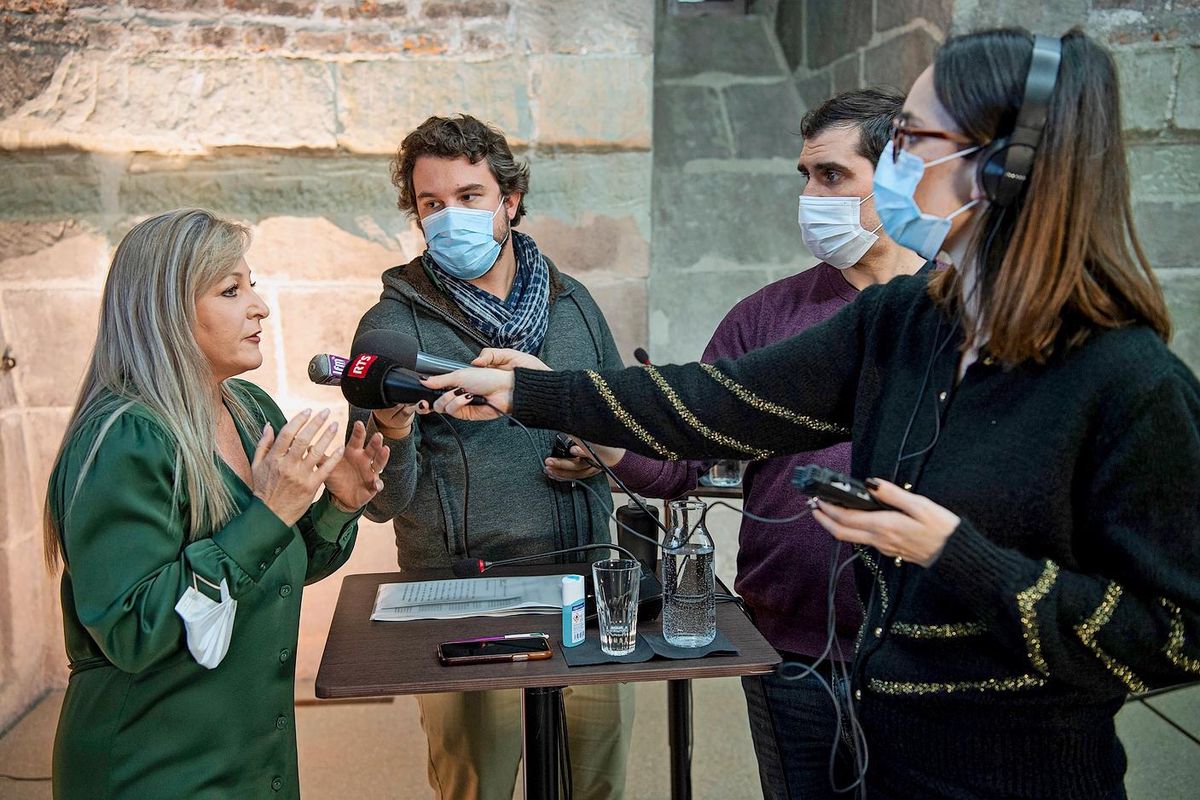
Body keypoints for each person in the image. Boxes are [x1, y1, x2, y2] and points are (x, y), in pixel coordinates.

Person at [426, 28, 1200, 799]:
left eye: (914, 141)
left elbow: (1180, 635)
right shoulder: (904, 322)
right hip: (888, 754)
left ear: (1003, 168)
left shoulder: (1128, 380)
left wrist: (958, 554)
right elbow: (715, 403)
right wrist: (536, 391)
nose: (895, 167)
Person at [517, 88, 926, 799]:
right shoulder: (765, 317)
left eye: (832, 176)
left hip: (930, 652)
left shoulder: (966, 308)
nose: (810, 196)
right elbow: (683, 463)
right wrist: (600, 435)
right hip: (794, 649)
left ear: (899, 177)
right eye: (805, 176)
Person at [45, 208, 387, 799]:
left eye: (252, 286)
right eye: (232, 291)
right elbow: (135, 630)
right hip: (154, 769)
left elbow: (268, 573)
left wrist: (336, 506)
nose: (261, 307)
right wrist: (268, 513)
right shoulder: (125, 437)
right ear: (166, 311)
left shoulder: (251, 411)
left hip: (251, 762)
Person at [348, 114, 633, 800]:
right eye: (431, 203)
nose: (450, 217)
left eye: (469, 196)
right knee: (478, 788)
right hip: (463, 599)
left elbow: (622, 431)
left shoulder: (573, 304)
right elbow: (380, 502)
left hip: (585, 592)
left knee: (595, 786)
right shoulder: (391, 329)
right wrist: (392, 427)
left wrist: (596, 454)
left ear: (510, 200)